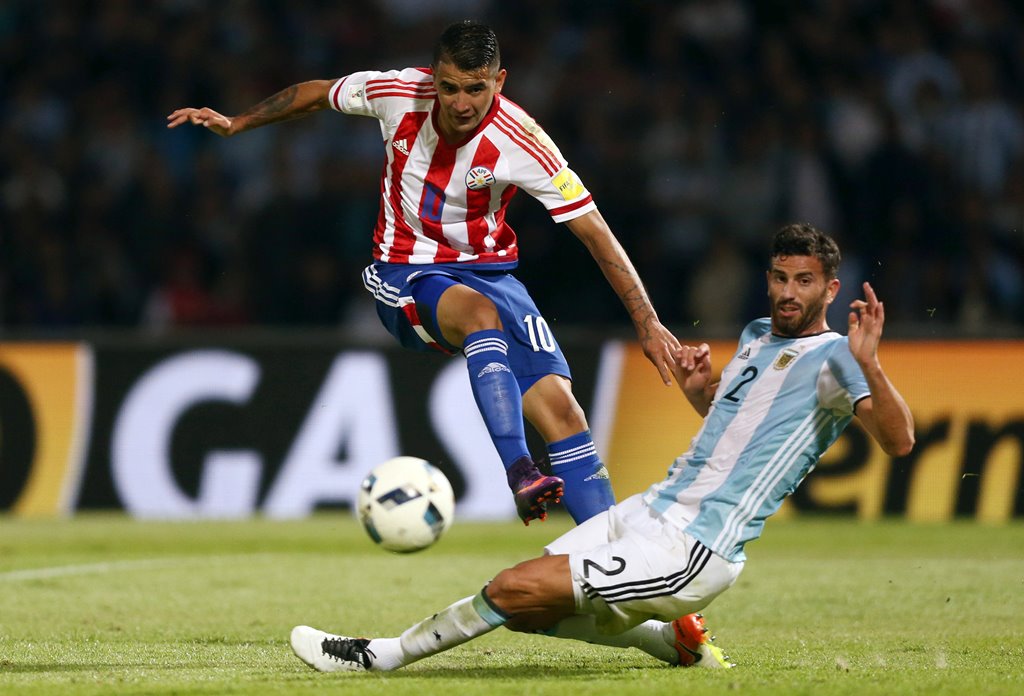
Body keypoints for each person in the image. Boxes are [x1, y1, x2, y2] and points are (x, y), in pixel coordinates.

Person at [288, 223, 916, 672]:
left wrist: (873, 366)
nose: (787, 292)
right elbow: (737, 418)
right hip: (647, 510)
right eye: (779, 277)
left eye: (804, 281)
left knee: (511, 590)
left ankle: (378, 657)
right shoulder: (758, 335)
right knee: (530, 612)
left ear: (830, 290)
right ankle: (672, 643)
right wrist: (703, 387)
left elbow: (899, 439)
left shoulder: (839, 359)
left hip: (695, 545)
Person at [167, 20, 680, 526]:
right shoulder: (398, 92)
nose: (460, 103)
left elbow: (595, 232)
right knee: (480, 316)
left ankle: (621, 572)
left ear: (499, 83)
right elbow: (319, 93)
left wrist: (647, 322)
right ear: (432, 76)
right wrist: (237, 123)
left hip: (492, 274)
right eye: (449, 87)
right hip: (405, 271)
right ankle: (520, 470)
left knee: (565, 415)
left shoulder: (524, 141)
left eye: (475, 89)